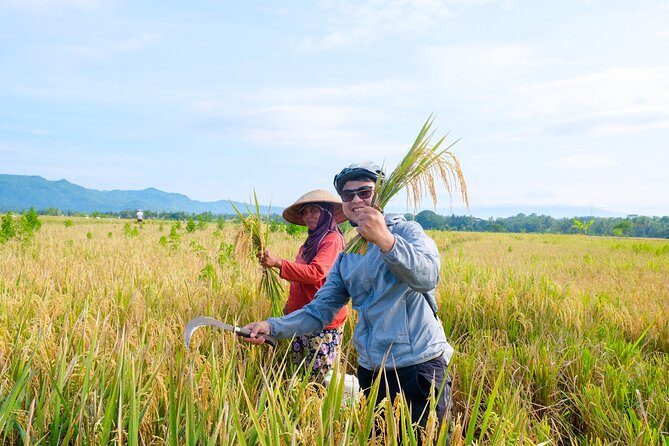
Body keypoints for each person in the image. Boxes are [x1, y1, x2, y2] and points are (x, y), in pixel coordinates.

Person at [243, 162, 452, 441]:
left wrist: (387, 241)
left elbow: (428, 277)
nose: (355, 200)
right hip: (373, 370)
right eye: (347, 195)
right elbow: (320, 310)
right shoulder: (348, 256)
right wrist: (271, 327)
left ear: (381, 195)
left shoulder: (407, 233)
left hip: (418, 366)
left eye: (364, 192)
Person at [258, 189, 349, 379]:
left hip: (322, 323)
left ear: (327, 213)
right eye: (305, 212)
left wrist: (278, 263)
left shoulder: (331, 240)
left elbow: (316, 273)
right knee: (301, 374)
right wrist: (289, 308)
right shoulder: (310, 243)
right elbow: (300, 279)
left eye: (313, 211)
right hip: (302, 318)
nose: (308, 216)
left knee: (317, 380)